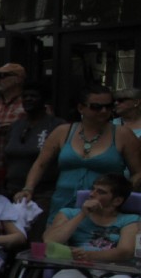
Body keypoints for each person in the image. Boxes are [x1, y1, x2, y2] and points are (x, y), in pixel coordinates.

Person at [15, 85, 141, 224]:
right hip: (63, 202)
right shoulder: (62, 131)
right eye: (96, 107)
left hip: (103, 208)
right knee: (56, 236)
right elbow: (40, 164)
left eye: (109, 106)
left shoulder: (123, 134)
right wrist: (28, 188)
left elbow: (138, 172)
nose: (104, 111)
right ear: (81, 108)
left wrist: (121, 193)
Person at [2, 82, 63, 230]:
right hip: (12, 191)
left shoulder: (56, 126)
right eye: (25, 96)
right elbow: (6, 156)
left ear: (44, 100)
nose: (28, 99)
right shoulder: (16, 126)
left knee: (36, 236)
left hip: (43, 193)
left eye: (33, 96)